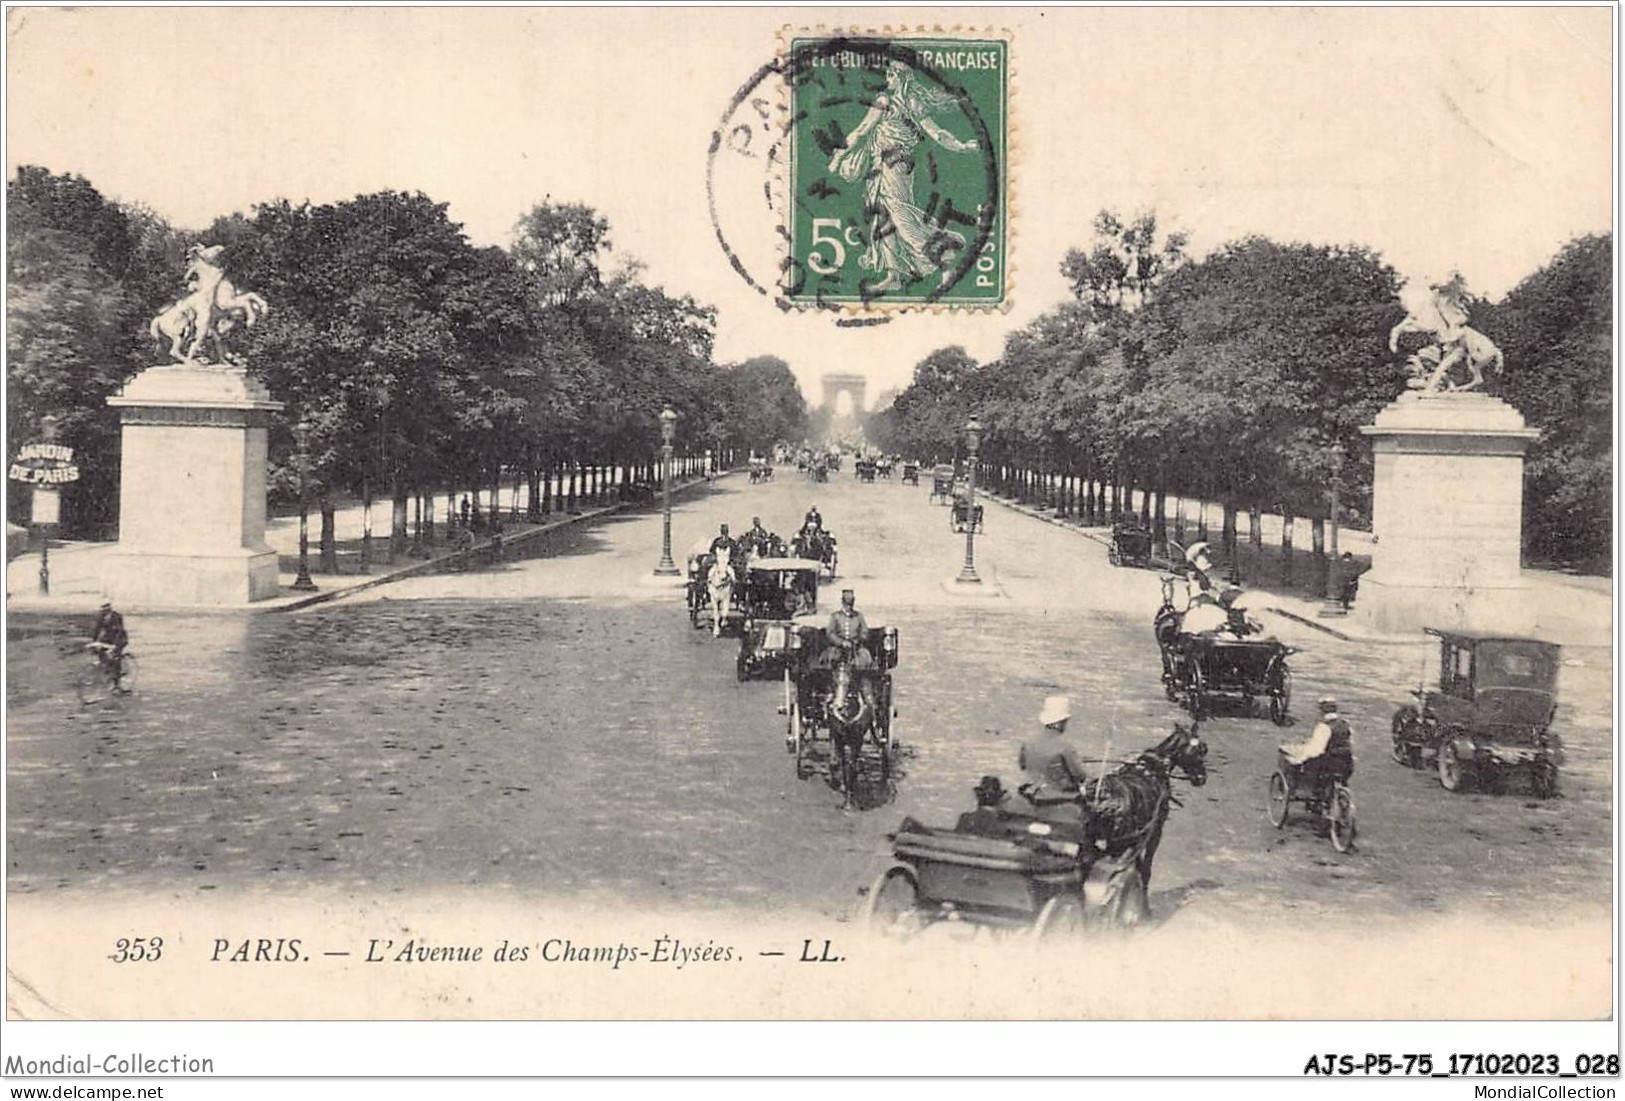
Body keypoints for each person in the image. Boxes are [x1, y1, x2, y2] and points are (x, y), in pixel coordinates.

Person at [1017, 695, 1090, 824]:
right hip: (1061, 798)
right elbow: (1080, 776)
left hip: (1033, 795)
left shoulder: (1028, 742)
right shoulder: (1065, 746)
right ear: (1059, 722)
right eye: (1065, 722)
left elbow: (1022, 765)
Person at [1281, 696, 1355, 791]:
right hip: (1346, 764)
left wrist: (1300, 758)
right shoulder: (1345, 724)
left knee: (1300, 766)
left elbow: (1316, 750)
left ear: (1322, 711)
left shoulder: (1324, 727)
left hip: (1327, 765)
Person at [825, 589, 873, 668]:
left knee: (864, 657)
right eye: (846, 604)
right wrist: (841, 642)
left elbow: (864, 631)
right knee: (832, 657)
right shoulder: (835, 616)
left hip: (855, 646)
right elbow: (830, 633)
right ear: (842, 602)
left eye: (850, 604)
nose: (848, 607)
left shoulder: (858, 616)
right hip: (838, 647)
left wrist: (857, 640)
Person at [87, 601, 130, 689]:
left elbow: (119, 631)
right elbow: (97, 629)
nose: (103, 612)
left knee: (115, 657)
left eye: (106, 610)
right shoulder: (100, 616)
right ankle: (107, 670)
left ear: (110, 610)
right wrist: (94, 641)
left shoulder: (117, 616)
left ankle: (117, 683)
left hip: (119, 638)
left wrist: (115, 645)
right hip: (108, 637)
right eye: (102, 610)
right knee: (101, 653)